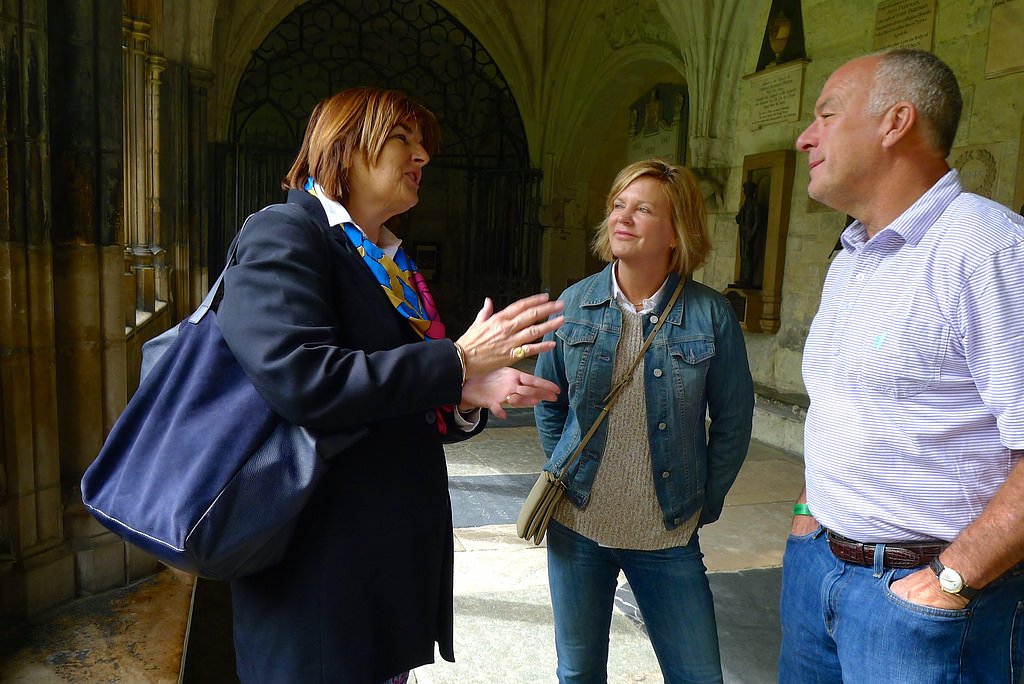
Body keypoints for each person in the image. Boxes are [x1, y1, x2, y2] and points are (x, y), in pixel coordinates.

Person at [217, 86, 565, 684]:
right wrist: (454, 360)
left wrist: (463, 392)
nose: (423, 157)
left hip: (375, 566)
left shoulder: (384, 261)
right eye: (403, 140)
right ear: (345, 147)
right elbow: (302, 380)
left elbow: (382, 394)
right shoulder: (285, 232)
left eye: (424, 145)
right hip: (317, 571)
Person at [781, 49, 1024, 683]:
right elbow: (846, 400)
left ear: (895, 123)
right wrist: (811, 517)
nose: (805, 137)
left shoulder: (987, 248)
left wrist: (950, 580)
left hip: (921, 602)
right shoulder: (852, 255)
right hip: (819, 570)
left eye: (826, 114)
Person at [534, 159, 755, 683]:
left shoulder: (710, 315)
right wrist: (566, 473)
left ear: (676, 230)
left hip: (667, 535)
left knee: (698, 675)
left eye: (643, 209)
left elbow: (733, 422)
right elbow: (549, 403)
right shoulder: (575, 304)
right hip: (578, 526)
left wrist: (702, 501)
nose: (622, 217)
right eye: (618, 205)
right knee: (579, 672)